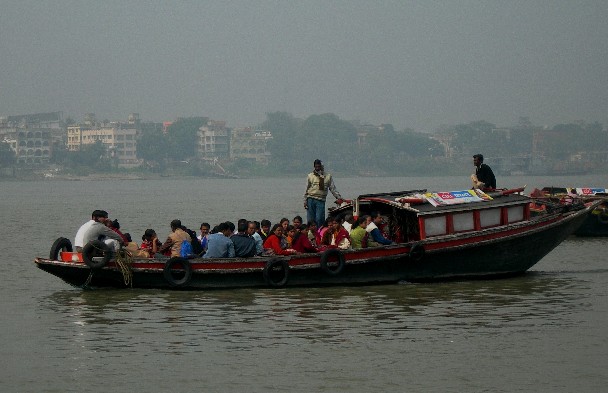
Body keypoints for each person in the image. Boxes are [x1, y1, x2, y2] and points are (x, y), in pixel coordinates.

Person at [303, 159, 343, 228]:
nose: (318, 168)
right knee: (311, 219)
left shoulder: (327, 176)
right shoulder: (310, 176)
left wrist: (339, 198)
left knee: (319, 219)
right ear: (314, 166)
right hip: (311, 199)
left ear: (322, 166)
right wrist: (305, 200)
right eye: (316, 166)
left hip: (320, 200)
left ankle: (320, 233)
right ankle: (311, 234)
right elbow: (306, 189)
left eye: (319, 166)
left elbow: (332, 188)